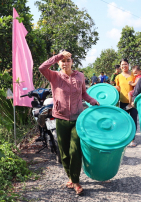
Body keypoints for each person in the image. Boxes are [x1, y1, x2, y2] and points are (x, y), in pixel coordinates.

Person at [39, 49, 99, 195]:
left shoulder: (80, 76)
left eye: (68, 60)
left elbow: (84, 93)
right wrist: (59, 55)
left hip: (77, 118)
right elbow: (42, 67)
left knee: (75, 151)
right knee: (64, 153)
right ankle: (71, 178)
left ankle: (76, 181)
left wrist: (92, 100)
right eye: (63, 61)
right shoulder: (54, 76)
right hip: (60, 118)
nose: (65, 63)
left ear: (72, 62)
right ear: (59, 63)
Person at [115, 59, 138, 147]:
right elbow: (118, 88)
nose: (124, 66)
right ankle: (124, 138)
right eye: (122, 64)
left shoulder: (133, 75)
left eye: (125, 64)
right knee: (123, 121)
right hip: (123, 102)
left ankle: (132, 139)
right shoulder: (118, 77)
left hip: (133, 102)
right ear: (120, 66)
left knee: (133, 120)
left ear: (128, 65)